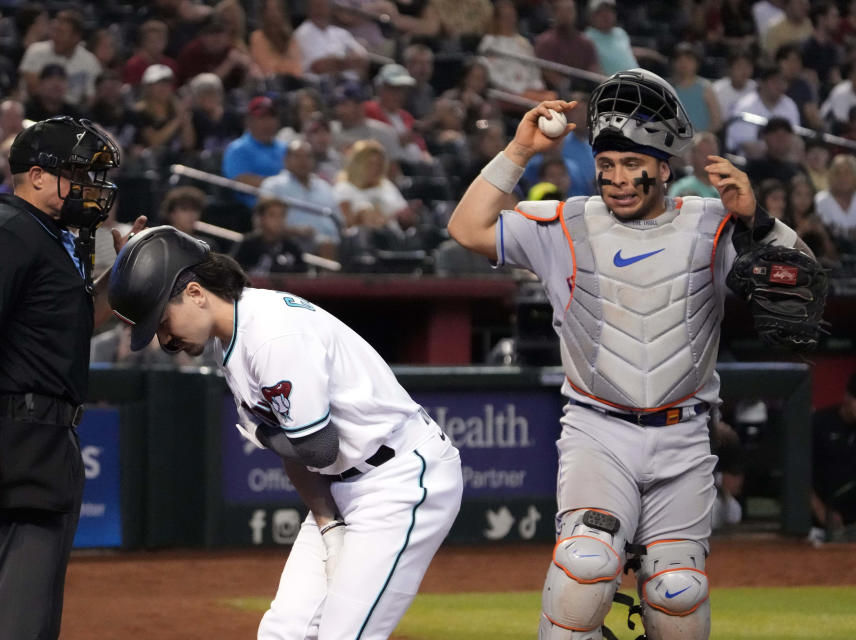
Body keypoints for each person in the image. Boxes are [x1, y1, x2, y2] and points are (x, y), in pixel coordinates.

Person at [447, 68, 812, 639]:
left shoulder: (715, 225)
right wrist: (520, 149)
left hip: (685, 436)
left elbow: (801, 282)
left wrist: (758, 219)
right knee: (584, 568)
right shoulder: (564, 224)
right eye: (607, 164)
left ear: (664, 166)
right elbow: (467, 227)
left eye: (632, 165)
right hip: (598, 431)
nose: (617, 179)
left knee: (677, 592)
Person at [108, 226, 462, 639]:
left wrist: (261, 437)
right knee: (284, 630)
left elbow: (317, 447)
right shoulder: (232, 338)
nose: (165, 338)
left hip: (399, 479)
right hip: (343, 489)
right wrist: (328, 524)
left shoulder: (271, 334)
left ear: (195, 293)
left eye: (162, 321)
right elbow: (296, 450)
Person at [0, 116, 146, 640]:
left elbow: (78, 321)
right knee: (16, 613)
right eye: (79, 173)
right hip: (18, 435)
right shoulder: (5, 234)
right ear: (36, 175)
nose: (93, 187)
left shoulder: (50, 237)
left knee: (35, 616)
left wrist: (119, 272)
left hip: (50, 436)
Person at [19, 9, 102, 107]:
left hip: (73, 114)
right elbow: (32, 88)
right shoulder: (36, 51)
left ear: (76, 37)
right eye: (55, 31)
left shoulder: (89, 61)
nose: (55, 36)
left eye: (61, 32)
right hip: (37, 110)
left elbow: (91, 96)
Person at [810, 372, 856, 544]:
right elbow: (798, 475)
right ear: (847, 397)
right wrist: (821, 511)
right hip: (817, 525)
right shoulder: (819, 423)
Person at [231, 196, 308, 274]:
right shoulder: (247, 244)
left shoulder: (292, 247)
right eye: (272, 215)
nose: (279, 220)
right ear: (261, 218)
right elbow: (235, 273)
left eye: (282, 215)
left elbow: (303, 276)